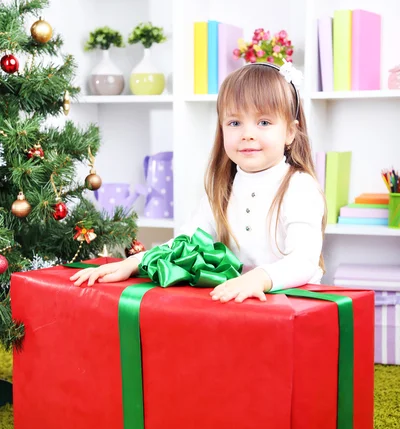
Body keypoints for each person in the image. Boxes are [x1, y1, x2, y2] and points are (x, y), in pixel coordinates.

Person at [70, 60, 326, 303]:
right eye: (235, 122)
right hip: (242, 306)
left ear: (290, 132)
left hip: (292, 308)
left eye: (264, 122)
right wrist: (134, 262)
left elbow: (304, 260)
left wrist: (259, 279)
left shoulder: (299, 188)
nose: (247, 134)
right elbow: (188, 241)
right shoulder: (224, 189)